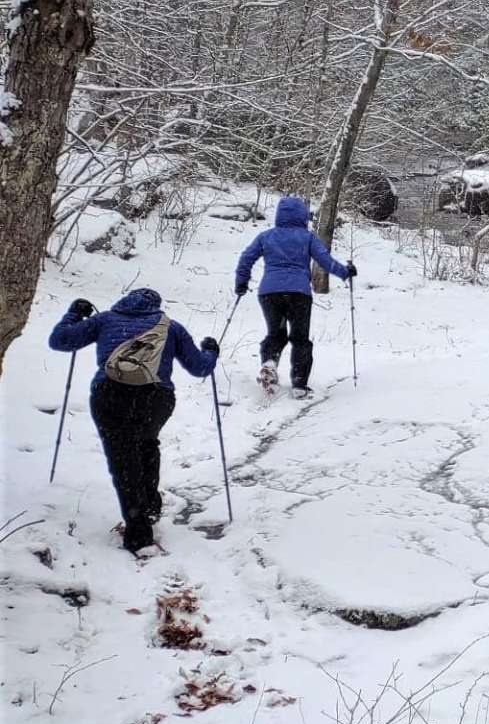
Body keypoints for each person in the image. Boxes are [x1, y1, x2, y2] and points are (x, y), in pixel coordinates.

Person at [48, 289, 220, 555]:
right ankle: (149, 508)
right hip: (156, 399)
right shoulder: (171, 328)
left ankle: (139, 534)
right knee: (146, 443)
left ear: (124, 302)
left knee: (123, 459)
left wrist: (74, 314)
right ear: (156, 306)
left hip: (110, 396)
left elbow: (60, 341)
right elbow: (200, 368)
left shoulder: (105, 320)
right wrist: (210, 351)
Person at [234, 195, 358, 397]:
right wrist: (345, 272)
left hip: (270, 293)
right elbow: (324, 261)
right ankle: (299, 385)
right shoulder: (307, 237)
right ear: (302, 216)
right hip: (298, 294)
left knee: (276, 334)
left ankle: (269, 363)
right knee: (300, 339)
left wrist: (241, 282)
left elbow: (247, 258)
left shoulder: (266, 236)